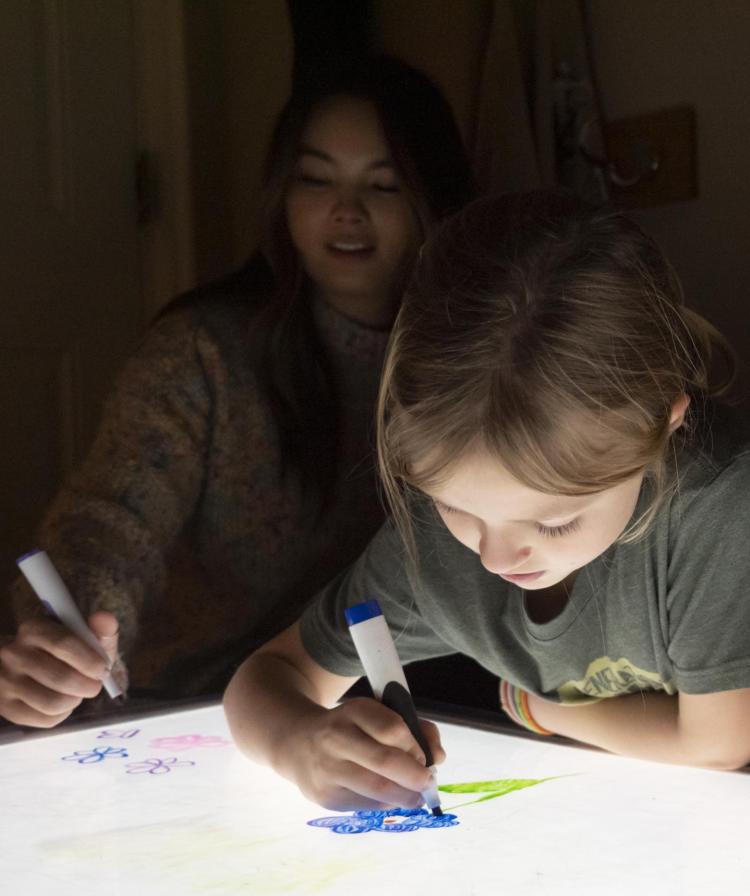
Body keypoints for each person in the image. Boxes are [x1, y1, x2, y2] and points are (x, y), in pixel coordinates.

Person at [223, 190, 750, 813]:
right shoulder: (430, 547)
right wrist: (300, 741)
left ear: (662, 427)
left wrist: (537, 708)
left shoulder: (718, 507)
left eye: (555, 522)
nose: (496, 553)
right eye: (459, 508)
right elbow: (265, 680)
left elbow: (719, 741)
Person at [3, 56, 474, 728]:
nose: (346, 210)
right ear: (280, 194)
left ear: (434, 197)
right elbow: (110, 518)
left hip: (414, 706)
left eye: (385, 184)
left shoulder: (478, 357)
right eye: (315, 179)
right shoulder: (203, 351)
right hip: (197, 703)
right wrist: (75, 629)